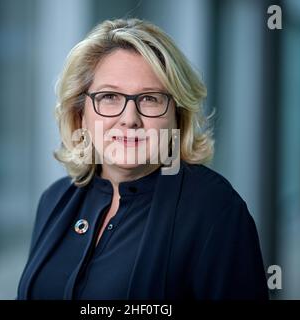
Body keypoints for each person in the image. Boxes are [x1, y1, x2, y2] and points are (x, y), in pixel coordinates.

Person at [17, 18, 268, 300]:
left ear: (177, 115)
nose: (129, 119)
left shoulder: (214, 209)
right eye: (109, 96)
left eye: (150, 99)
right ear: (80, 113)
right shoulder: (56, 199)